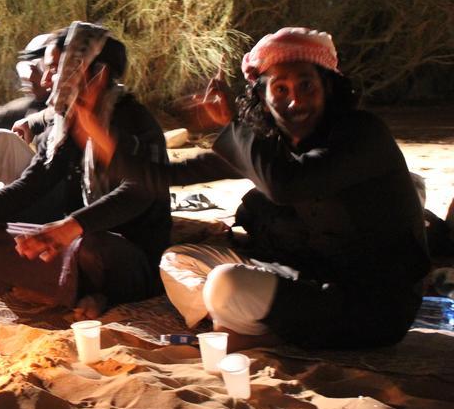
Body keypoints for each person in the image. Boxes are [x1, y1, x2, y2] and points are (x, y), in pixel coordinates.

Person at [144, 27, 430, 350]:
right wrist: (114, 154)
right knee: (178, 259)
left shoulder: (362, 134)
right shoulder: (277, 145)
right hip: (305, 278)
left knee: (225, 283)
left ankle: (249, 332)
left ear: (328, 88)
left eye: (306, 85)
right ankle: (238, 325)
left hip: (371, 305)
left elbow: (286, 185)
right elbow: (188, 170)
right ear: (263, 100)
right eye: (280, 89)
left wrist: (232, 125)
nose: (295, 100)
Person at [0, 21, 171, 318]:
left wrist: (69, 227)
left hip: (124, 257)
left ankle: (88, 293)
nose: (46, 79)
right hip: (78, 243)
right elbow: (33, 184)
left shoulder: (136, 122)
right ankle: (70, 290)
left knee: (96, 248)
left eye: (55, 68)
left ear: (94, 72)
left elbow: (138, 193)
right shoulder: (66, 123)